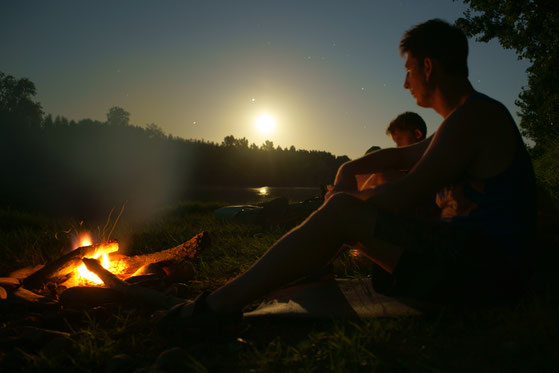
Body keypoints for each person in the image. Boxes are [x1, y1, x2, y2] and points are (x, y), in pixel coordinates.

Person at [163, 19, 537, 324]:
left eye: (409, 71)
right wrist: (348, 168)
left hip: (485, 274)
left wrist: (341, 203)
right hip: (471, 262)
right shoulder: (463, 120)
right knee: (349, 206)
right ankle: (292, 267)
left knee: (344, 212)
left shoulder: (474, 118)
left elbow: (406, 192)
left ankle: (215, 307)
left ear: (428, 66)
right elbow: (399, 158)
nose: (406, 83)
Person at [358, 111, 427, 190]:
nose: (397, 146)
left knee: (381, 176)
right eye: (396, 142)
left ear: (417, 134)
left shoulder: (428, 160)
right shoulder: (406, 165)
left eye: (399, 139)